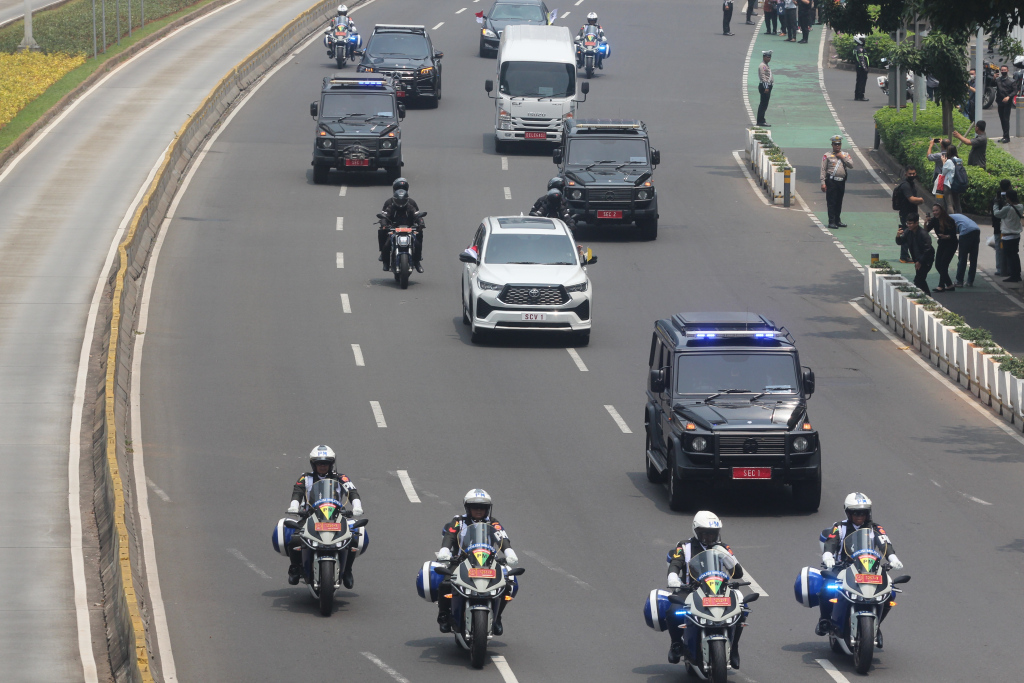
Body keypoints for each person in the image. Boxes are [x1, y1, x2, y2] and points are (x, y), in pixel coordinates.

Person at [816, 493, 902, 644]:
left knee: (891, 593)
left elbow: (885, 543)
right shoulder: (839, 527)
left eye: (863, 512)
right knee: (826, 589)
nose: (859, 516)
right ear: (848, 512)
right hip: (843, 566)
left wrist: (893, 558)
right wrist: (828, 556)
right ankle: (824, 620)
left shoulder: (875, 528)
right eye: (856, 512)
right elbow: (831, 541)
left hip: (869, 568)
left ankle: (876, 625)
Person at [666, 511, 746, 669]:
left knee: (742, 607)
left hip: (718, 590)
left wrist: (728, 559)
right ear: (696, 531)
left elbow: (738, 574)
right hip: (690, 589)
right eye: (705, 533)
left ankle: (734, 647)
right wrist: (673, 577)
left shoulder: (723, 547)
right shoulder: (684, 546)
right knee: (674, 610)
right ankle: (676, 644)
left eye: (713, 534)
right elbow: (675, 563)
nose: (709, 537)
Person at [434, 489, 518, 635]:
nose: (479, 510)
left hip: (488, 561)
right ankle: (444, 616)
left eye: (483, 507)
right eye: (475, 507)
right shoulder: (458, 520)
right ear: (468, 507)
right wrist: (445, 550)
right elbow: (450, 535)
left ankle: (497, 618)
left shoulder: (493, 522)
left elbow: (502, 537)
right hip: (461, 560)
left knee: (507, 584)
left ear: (488, 509)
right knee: (446, 583)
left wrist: (509, 552)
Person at [286, 445, 364, 587]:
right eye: (319, 463)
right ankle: (295, 568)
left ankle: (347, 570)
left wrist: (357, 506)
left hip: (336, 516)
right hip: (310, 515)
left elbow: (352, 491)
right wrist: (294, 505)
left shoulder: (341, 477)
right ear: (313, 464)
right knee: (294, 538)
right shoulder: (305, 478)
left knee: (353, 538)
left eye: (326, 463)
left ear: (331, 464)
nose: (323, 466)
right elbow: (297, 491)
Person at [380, 188, 425, 272]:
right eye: (399, 201)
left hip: (409, 230)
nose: (401, 203)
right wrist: (384, 224)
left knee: (417, 244)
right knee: (386, 245)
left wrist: (421, 223)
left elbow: (417, 215)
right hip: (394, 231)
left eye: (402, 201)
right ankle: (386, 262)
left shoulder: (410, 207)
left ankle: (417, 262)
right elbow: (385, 216)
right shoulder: (391, 207)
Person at [895, 213, 934, 294]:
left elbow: (928, 250)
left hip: (926, 259)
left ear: (916, 223)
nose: (908, 225)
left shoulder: (923, 234)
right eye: (907, 223)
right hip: (917, 259)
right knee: (920, 279)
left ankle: (927, 297)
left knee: (919, 280)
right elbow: (900, 242)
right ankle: (927, 296)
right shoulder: (908, 232)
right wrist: (898, 236)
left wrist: (920, 261)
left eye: (910, 223)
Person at [820, 135, 853, 229]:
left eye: (838, 144)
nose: (837, 146)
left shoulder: (845, 155)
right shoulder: (827, 155)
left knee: (839, 201)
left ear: (841, 145)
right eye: (835, 144)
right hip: (831, 181)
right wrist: (823, 183)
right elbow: (823, 169)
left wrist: (842, 157)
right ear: (832, 145)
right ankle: (831, 222)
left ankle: (838, 221)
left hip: (841, 182)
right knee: (831, 202)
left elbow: (851, 165)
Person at [893, 166, 924, 263]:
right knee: (907, 233)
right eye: (910, 174)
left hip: (911, 212)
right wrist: (921, 200)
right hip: (906, 214)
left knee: (910, 233)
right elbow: (911, 199)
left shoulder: (911, 184)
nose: (912, 175)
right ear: (906, 174)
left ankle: (906, 255)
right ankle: (904, 256)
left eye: (913, 173)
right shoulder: (905, 185)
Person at [994, 188, 1023, 283]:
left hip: (1007, 236)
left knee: (1010, 257)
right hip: (1016, 235)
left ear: (1008, 198)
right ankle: (1017, 275)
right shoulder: (1020, 206)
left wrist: (996, 204)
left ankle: (1013, 276)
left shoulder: (1007, 208)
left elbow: (997, 214)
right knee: (1015, 255)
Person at [928, 204, 959, 292]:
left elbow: (953, 235)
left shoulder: (949, 220)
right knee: (938, 264)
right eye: (933, 211)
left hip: (951, 244)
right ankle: (949, 284)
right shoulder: (934, 220)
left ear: (941, 210)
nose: (935, 212)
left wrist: (946, 236)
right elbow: (926, 231)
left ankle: (941, 286)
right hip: (942, 243)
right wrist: (926, 222)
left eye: (936, 210)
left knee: (943, 264)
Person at [951, 212, 981, 287]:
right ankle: (970, 281)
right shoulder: (956, 216)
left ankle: (959, 281)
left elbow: (952, 231)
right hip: (976, 230)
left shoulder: (947, 219)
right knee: (973, 258)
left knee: (962, 258)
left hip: (966, 232)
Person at [992, 179, 1012, 276]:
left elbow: (993, 213)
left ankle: (999, 268)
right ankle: (1008, 269)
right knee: (1009, 249)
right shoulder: (1011, 197)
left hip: (997, 226)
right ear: (1009, 186)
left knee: (999, 248)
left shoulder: (996, 197)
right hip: (1008, 228)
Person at [940, 146, 964, 214]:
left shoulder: (949, 161)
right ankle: (960, 218)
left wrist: (943, 162)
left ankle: (951, 220)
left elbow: (943, 172)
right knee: (957, 204)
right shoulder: (959, 160)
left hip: (949, 184)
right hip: (957, 183)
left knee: (949, 204)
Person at [996, 64, 1016, 143]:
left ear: (1008, 70)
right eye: (1002, 70)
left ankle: (1007, 137)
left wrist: (1008, 97)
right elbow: (990, 85)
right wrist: (993, 77)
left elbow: (1015, 91)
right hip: (1000, 101)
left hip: (1007, 103)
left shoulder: (1012, 81)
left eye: (1004, 70)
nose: (1003, 71)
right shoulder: (998, 80)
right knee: (1001, 119)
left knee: (1006, 119)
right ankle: (1004, 136)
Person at [757, 51, 773, 127]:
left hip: (767, 86)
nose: (769, 58)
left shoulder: (766, 65)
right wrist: (766, 87)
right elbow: (763, 77)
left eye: (770, 57)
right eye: (767, 57)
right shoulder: (763, 66)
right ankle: (760, 120)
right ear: (764, 57)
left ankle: (761, 120)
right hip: (764, 86)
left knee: (765, 104)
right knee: (763, 104)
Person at [853, 35, 869, 101]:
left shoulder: (856, 48)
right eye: (862, 39)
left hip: (858, 67)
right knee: (862, 82)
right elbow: (861, 59)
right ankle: (861, 96)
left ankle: (857, 96)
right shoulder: (860, 49)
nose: (864, 40)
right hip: (861, 68)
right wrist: (865, 68)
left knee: (858, 81)